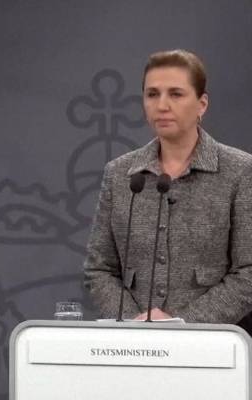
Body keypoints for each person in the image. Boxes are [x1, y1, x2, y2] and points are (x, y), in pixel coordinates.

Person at [84, 49, 252, 323]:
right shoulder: (119, 174)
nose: (162, 105)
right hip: (134, 342)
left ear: (202, 104)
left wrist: (180, 327)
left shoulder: (241, 171)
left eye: (176, 94)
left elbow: (248, 273)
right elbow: (99, 269)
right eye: (152, 94)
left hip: (214, 342)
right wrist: (136, 323)